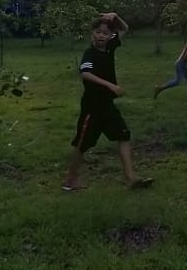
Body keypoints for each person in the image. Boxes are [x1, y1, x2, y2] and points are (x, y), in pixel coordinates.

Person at [63, 13, 150, 191]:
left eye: (105, 33)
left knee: (124, 135)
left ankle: (130, 177)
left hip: (107, 106)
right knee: (82, 144)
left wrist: (116, 17)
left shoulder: (110, 47)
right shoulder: (90, 53)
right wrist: (110, 85)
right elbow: (85, 74)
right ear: (92, 34)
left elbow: (124, 28)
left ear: (110, 36)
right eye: (98, 32)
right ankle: (71, 179)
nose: (101, 36)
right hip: (92, 108)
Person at [154, 28, 187, 100]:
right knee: (177, 81)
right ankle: (159, 88)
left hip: (182, 64)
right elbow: (186, 57)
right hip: (180, 64)